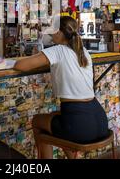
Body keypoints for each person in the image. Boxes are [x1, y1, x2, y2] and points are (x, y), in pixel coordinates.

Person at [14, 16, 109, 158]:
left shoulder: (58, 50)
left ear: (59, 33)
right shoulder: (84, 53)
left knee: (37, 122)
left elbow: (19, 66)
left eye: (52, 31)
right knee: (53, 117)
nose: (51, 35)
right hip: (100, 121)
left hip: (79, 126)